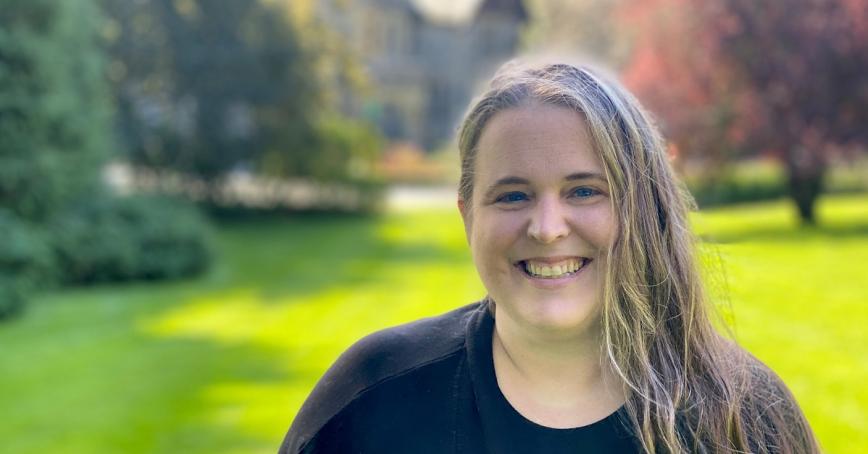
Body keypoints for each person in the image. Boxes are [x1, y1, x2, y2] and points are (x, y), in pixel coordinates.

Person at [278, 61, 820, 453]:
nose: (546, 228)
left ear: (643, 206)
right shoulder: (371, 401)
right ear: (469, 216)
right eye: (512, 195)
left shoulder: (745, 421)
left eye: (584, 191)